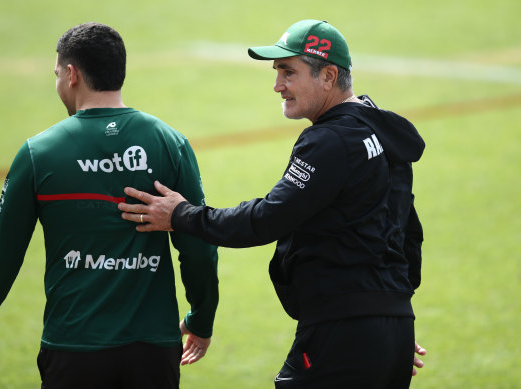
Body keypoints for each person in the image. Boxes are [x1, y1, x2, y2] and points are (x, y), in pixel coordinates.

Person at [118, 19, 426, 388]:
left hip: (342, 332)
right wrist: (385, 320)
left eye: (288, 72)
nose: (278, 85)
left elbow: (266, 219)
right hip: (389, 329)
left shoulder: (329, 141)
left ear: (328, 75)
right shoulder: (381, 133)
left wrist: (181, 215)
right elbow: (407, 234)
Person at [0, 22, 219, 389]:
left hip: (73, 346)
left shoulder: (38, 153)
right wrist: (201, 318)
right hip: (153, 348)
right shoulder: (171, 144)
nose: (57, 82)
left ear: (72, 74)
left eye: (57, 73)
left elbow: (3, 255)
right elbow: (199, 247)